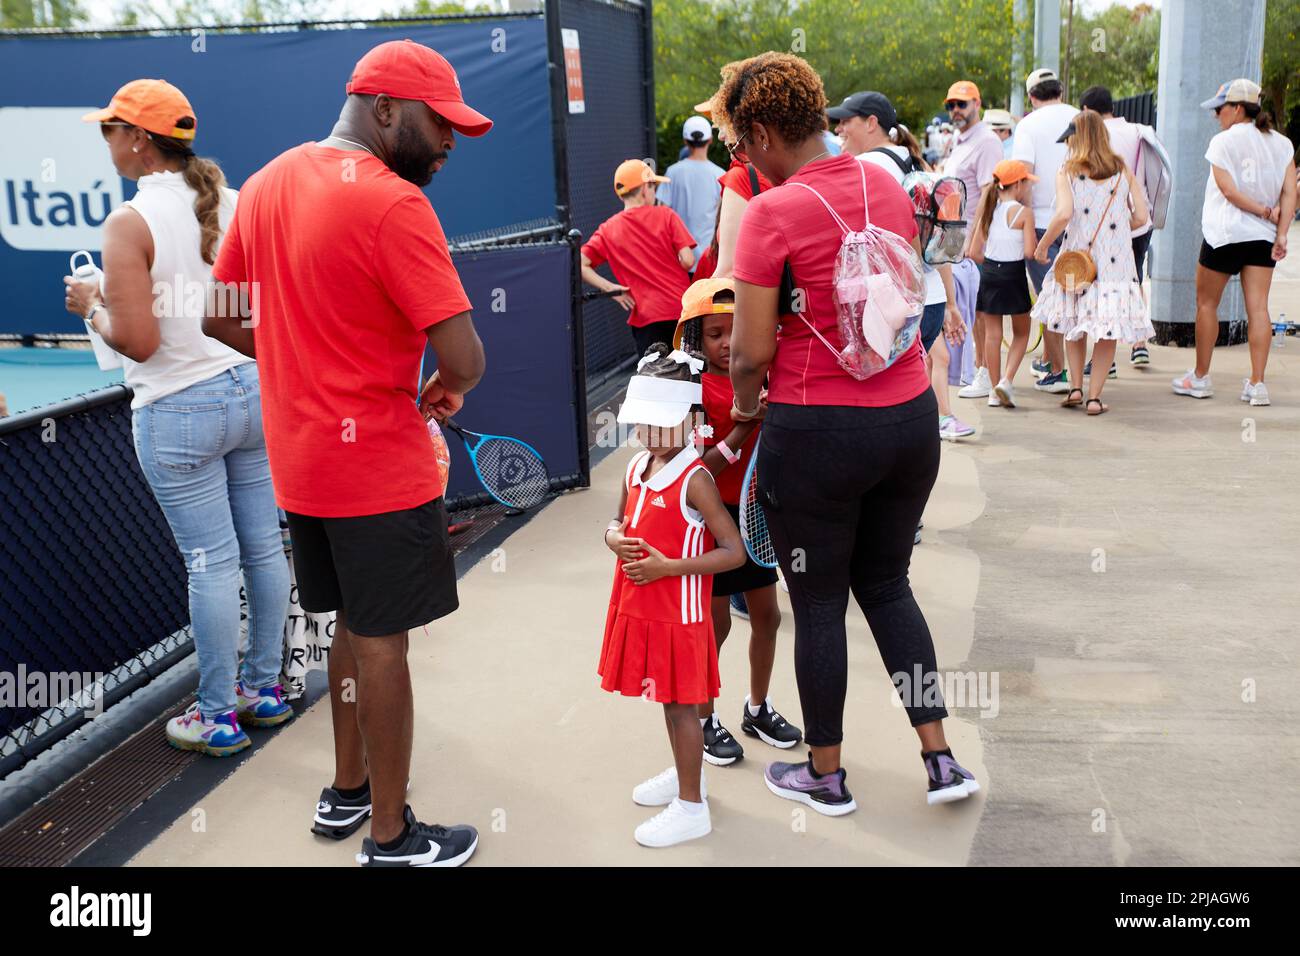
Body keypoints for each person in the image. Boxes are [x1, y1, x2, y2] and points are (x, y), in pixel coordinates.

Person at [203, 39, 488, 867]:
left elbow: (219, 317)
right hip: (376, 468)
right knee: (383, 642)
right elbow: (465, 359)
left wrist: (300, 357)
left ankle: (347, 792)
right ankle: (392, 838)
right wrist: (446, 384)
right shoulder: (397, 205)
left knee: (351, 626)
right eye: (441, 124)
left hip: (303, 465)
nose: (448, 143)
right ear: (387, 109)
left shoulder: (266, 181)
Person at [714, 51, 979, 815]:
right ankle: (940, 760)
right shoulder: (885, 181)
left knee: (821, 603)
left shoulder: (771, 212)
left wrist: (741, 407)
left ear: (764, 131)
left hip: (817, 431)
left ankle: (825, 776)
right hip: (907, 422)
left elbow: (753, 350)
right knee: (890, 586)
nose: (742, 158)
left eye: (741, 143)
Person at [64, 79, 290, 758]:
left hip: (180, 411)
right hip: (252, 393)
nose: (105, 140)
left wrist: (89, 308)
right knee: (262, 547)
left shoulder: (128, 223)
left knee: (211, 565)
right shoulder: (235, 199)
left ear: (137, 139)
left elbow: (138, 342)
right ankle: (264, 690)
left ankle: (217, 715)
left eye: (110, 129)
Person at [600, 345, 746, 847]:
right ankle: (691, 779)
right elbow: (617, 521)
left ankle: (691, 807)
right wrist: (612, 538)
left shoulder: (696, 478)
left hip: (680, 617)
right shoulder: (635, 466)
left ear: (691, 419)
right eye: (643, 422)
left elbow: (734, 552)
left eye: (662, 423)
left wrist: (668, 567)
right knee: (667, 702)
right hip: (639, 608)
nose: (650, 434)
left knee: (681, 708)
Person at [671, 278, 802, 766]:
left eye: (735, 330)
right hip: (713, 522)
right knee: (718, 623)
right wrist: (747, 423)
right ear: (694, 339)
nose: (727, 343)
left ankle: (757, 707)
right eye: (714, 334)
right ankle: (704, 719)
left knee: (767, 616)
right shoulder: (695, 390)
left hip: (757, 514)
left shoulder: (764, 374)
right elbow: (698, 470)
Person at [829, 90, 971, 440]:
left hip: (896, 304)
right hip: (931, 297)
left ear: (872, 123)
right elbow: (935, 242)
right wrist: (950, 303)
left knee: (886, 400)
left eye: (847, 120)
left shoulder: (868, 168)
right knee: (911, 387)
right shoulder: (912, 161)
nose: (839, 129)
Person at [1172, 79, 1296, 405]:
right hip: (1261, 239)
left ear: (1238, 108)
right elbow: (1290, 193)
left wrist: (1264, 211)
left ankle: (1200, 378)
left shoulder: (1222, 142)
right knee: (1258, 309)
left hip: (1224, 235)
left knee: (1206, 305)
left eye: (1220, 108)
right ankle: (1257, 384)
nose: (1216, 116)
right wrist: (1280, 230)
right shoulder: (1282, 144)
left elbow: (1227, 191)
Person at [1031, 111, 1151, 416]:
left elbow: (1063, 214)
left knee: (1075, 323)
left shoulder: (1068, 170)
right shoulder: (1122, 169)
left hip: (1077, 261)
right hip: (1116, 263)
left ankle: (1075, 387)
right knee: (1107, 330)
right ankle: (1095, 397)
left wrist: (1044, 245)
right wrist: (1119, 229)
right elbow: (1141, 216)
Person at [581, 159, 696, 354]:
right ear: (644, 189)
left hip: (646, 318)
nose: (654, 192)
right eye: (653, 186)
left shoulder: (608, 229)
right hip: (681, 311)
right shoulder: (666, 216)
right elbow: (688, 260)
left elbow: (580, 264)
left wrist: (612, 289)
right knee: (688, 375)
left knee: (654, 378)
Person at [1080, 84, 1158, 370]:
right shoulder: (1138, 131)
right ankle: (1139, 344)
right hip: (1138, 219)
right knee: (1132, 280)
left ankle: (1105, 361)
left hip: (1106, 226)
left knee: (1101, 289)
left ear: (1087, 111)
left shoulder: (1093, 136)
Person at [1012, 67, 1079, 393]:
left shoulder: (1028, 125)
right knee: (1077, 296)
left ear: (1032, 97)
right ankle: (1077, 373)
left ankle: (1057, 370)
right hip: (1082, 224)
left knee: (1052, 298)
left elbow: (1023, 178)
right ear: (1060, 92)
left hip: (1042, 224)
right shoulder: (1082, 118)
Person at [943, 80, 1006, 399]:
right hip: (957, 239)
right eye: (951, 105)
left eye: (961, 104)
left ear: (977, 104)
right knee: (973, 308)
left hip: (972, 240)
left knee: (983, 310)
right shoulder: (962, 139)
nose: (955, 110)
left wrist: (977, 239)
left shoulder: (986, 141)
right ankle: (979, 370)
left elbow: (988, 193)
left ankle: (984, 373)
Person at [968, 160, 1038, 408]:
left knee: (992, 334)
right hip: (1013, 273)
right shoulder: (1024, 213)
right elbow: (1029, 252)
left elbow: (973, 251)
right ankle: (1006, 380)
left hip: (989, 272)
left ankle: (993, 390)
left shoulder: (989, 211)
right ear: (1018, 184)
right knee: (1022, 332)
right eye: (1026, 182)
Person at [661, 117, 726, 272]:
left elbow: (662, 214)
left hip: (679, 258)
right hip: (710, 259)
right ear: (710, 140)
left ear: (685, 141)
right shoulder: (720, 175)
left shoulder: (672, 172)